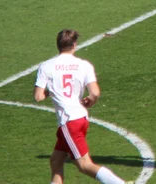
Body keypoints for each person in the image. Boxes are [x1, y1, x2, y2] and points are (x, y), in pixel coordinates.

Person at [34, 29, 125, 184]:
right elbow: (95, 93)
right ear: (74, 45)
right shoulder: (84, 65)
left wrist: (52, 92)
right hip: (81, 118)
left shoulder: (46, 67)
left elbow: (38, 97)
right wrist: (91, 101)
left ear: (58, 45)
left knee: (84, 165)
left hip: (69, 122)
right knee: (56, 160)